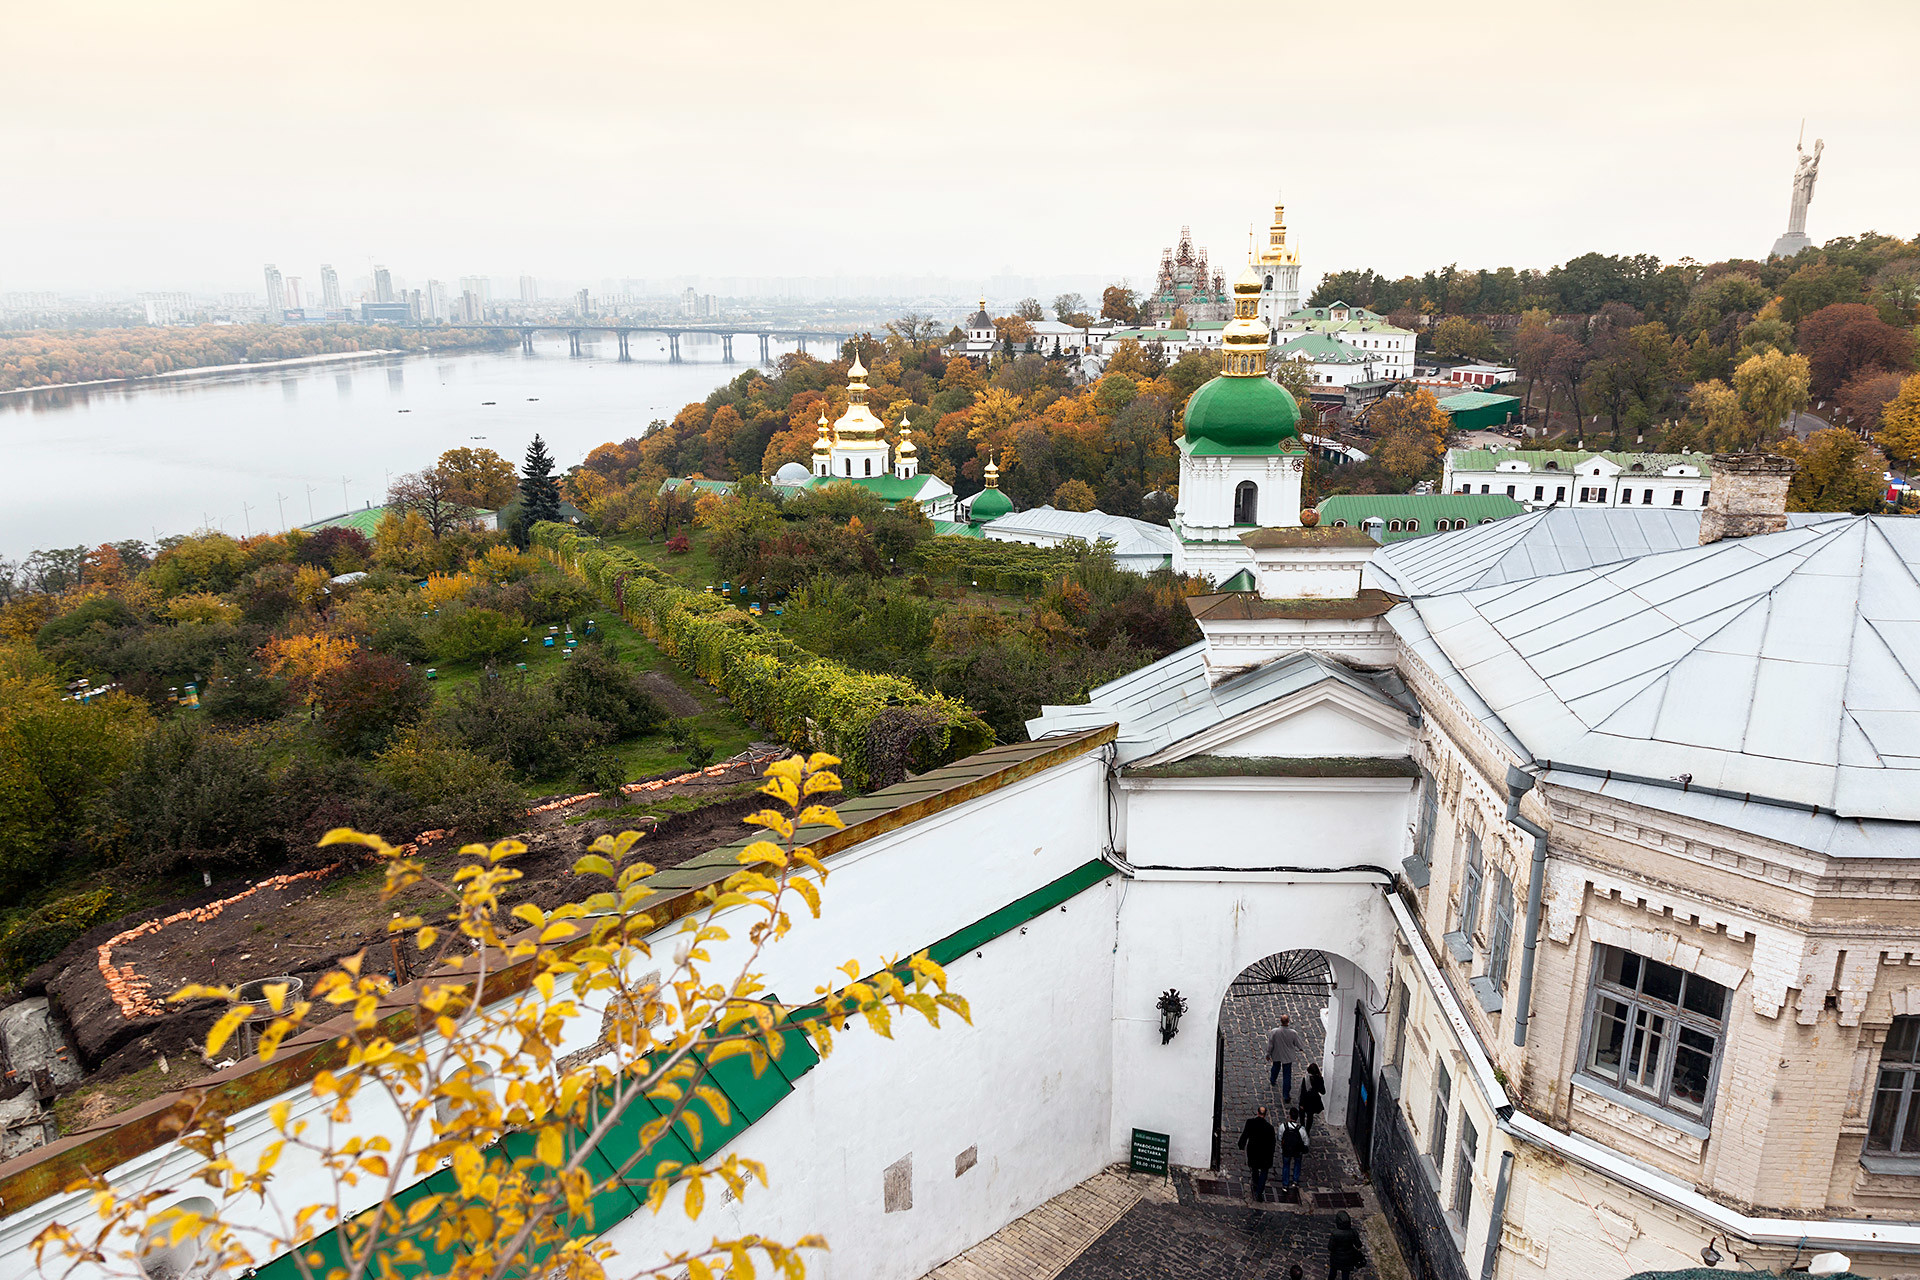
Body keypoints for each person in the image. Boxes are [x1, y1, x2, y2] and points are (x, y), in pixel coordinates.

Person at [1237, 1105, 1277, 1202]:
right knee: (1264, 1172)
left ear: (1258, 1113)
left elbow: (1245, 1135)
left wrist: (1241, 1145)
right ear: (1265, 1114)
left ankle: (1255, 1184)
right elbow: (1272, 1143)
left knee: (1254, 1169)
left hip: (1253, 1151)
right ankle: (1259, 1191)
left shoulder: (1250, 1123)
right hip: (1265, 1154)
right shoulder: (1270, 1128)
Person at [1267, 1014, 1306, 1102]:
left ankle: (1273, 1080)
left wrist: (1268, 1054)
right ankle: (1286, 1095)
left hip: (1277, 1054)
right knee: (1287, 1075)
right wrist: (1301, 1048)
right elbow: (1298, 1044)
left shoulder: (1274, 1032)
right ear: (1288, 1022)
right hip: (1288, 1056)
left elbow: (1270, 1045)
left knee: (1275, 1067)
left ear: (1280, 1021)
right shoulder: (1293, 1033)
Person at [1278, 1105, 1308, 1197]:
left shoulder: (1283, 1126)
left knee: (1286, 1166)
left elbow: (1280, 1138)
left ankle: (1285, 1184)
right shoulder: (1301, 1130)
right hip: (1297, 1151)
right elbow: (1306, 1142)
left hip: (1286, 1150)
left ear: (1289, 1116)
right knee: (1297, 1164)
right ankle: (1295, 1181)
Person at [1328, 1208, 1367, 1280]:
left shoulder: (1335, 1233)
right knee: (1345, 1275)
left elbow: (1330, 1247)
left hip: (1336, 1257)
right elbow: (1358, 1245)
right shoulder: (1352, 1232)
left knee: (1332, 1273)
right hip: (1348, 1258)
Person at [1300, 1061, 1327, 1135]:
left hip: (1306, 1100)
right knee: (1310, 1116)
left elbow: (1303, 1092)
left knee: (1302, 1115)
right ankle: (1307, 1131)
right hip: (1314, 1100)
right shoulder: (1320, 1079)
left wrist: (1301, 1103)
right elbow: (1323, 1091)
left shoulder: (1306, 1079)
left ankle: (1302, 1128)